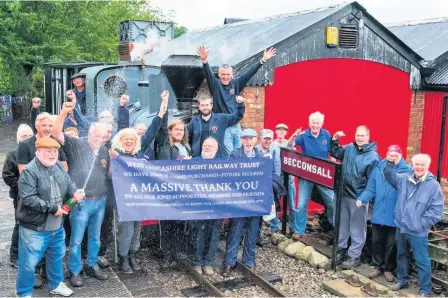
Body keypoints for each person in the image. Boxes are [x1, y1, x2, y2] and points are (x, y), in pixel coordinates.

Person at [16, 136, 85, 297]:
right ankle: (24, 293)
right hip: (35, 227)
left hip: (56, 225)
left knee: (56, 256)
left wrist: (75, 192)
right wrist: (54, 208)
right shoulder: (29, 171)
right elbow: (28, 199)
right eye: (48, 151)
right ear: (38, 151)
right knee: (29, 263)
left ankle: (56, 284)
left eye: (55, 151)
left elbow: (69, 183)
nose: (53, 154)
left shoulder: (58, 166)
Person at [54, 102, 111, 287]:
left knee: (95, 237)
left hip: (100, 201)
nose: (99, 139)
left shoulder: (104, 150)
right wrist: (64, 112)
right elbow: (56, 134)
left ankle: (92, 264)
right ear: (90, 132)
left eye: (103, 136)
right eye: (97, 135)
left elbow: (106, 172)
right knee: (76, 239)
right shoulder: (76, 144)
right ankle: (74, 271)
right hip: (81, 203)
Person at [197, 45, 276, 155]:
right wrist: (204, 60)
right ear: (219, 74)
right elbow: (208, 74)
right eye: (223, 74)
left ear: (232, 75)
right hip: (223, 127)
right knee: (229, 155)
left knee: (240, 153)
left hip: (236, 126)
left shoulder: (236, 83)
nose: (225, 77)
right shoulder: (215, 84)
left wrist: (263, 60)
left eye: (228, 74)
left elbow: (249, 73)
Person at [384, 153, 444, 297]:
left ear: (427, 167)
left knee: (422, 260)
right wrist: (390, 163)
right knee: (401, 255)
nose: (419, 167)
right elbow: (389, 176)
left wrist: (420, 224)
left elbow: (436, 211)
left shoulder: (433, 186)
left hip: (418, 231)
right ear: (413, 165)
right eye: (417, 164)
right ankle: (402, 280)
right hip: (402, 226)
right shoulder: (405, 178)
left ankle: (425, 290)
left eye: (422, 164)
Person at [356, 145, 412, 282]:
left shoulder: (407, 171)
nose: (391, 157)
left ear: (400, 155)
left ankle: (388, 268)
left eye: (395, 155)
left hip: (396, 214)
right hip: (379, 212)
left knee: (391, 244)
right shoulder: (379, 168)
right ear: (386, 154)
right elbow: (371, 188)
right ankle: (377, 266)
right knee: (377, 241)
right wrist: (362, 198)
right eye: (389, 154)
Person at [221, 128, 273, 277]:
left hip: (256, 201)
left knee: (252, 232)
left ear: (256, 140)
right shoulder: (235, 154)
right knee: (235, 231)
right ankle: (229, 262)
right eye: (245, 138)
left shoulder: (262, 156)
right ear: (241, 140)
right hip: (239, 201)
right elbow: (230, 176)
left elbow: (266, 179)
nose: (248, 141)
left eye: (251, 138)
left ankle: (249, 261)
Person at [330, 125, 380, 269]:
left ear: (368, 136)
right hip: (342, 193)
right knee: (341, 224)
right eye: (358, 135)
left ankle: (354, 256)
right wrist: (334, 139)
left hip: (358, 197)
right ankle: (341, 249)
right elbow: (335, 152)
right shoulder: (349, 148)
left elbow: (373, 181)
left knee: (357, 228)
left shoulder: (373, 157)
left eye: (362, 136)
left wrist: (364, 198)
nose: (359, 138)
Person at [154, 91, 192, 268]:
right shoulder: (163, 143)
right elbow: (160, 127)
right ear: (170, 131)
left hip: (183, 190)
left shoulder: (185, 147)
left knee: (179, 222)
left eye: (181, 130)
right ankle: (166, 254)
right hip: (166, 189)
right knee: (167, 222)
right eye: (176, 129)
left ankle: (177, 251)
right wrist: (164, 105)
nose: (179, 132)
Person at [287, 112, 334, 240]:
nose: (315, 125)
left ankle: (335, 226)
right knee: (301, 204)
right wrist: (293, 135)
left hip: (323, 173)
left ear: (321, 123)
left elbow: (332, 152)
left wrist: (334, 163)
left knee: (332, 202)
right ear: (309, 123)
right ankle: (298, 230)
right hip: (306, 173)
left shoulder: (326, 134)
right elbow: (289, 145)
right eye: (313, 122)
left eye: (317, 122)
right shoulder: (304, 135)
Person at [110, 128, 146, 274]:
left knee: (137, 229)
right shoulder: (116, 154)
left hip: (138, 198)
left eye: (132, 139)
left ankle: (132, 255)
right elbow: (110, 176)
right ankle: (123, 257)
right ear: (120, 140)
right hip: (122, 198)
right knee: (127, 230)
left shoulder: (138, 155)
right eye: (126, 139)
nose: (129, 141)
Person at [2, 124, 34, 268]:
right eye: (24, 136)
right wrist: (21, 186)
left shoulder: (36, 151)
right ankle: (14, 256)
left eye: (29, 135)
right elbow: (7, 175)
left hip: (35, 196)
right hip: (19, 196)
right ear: (18, 138)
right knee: (19, 224)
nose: (27, 138)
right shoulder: (13, 154)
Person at [191, 137, 222, 275]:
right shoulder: (193, 162)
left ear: (216, 149)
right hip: (199, 206)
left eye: (210, 146)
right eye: (205, 145)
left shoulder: (222, 164)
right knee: (200, 233)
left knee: (214, 234)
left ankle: (208, 261)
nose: (207, 147)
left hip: (217, 207)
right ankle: (198, 262)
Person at [273, 123, 297, 234]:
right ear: (276, 131)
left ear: (286, 132)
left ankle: (292, 228)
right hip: (278, 178)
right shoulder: (272, 144)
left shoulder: (290, 144)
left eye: (283, 130)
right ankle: (274, 228)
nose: (281, 132)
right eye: (279, 130)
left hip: (289, 178)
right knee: (275, 203)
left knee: (292, 204)